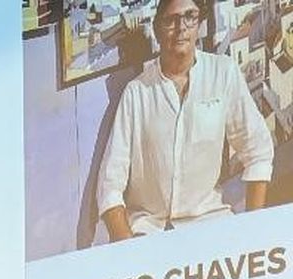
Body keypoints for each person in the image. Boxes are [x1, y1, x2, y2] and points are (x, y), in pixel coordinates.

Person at [97, 0, 273, 240]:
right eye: (171, 20)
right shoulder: (136, 92)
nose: (181, 27)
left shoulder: (223, 73)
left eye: (190, 16)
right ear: (157, 30)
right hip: (148, 230)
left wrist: (254, 227)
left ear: (199, 23)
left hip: (210, 221)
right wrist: (128, 247)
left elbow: (259, 150)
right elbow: (110, 184)